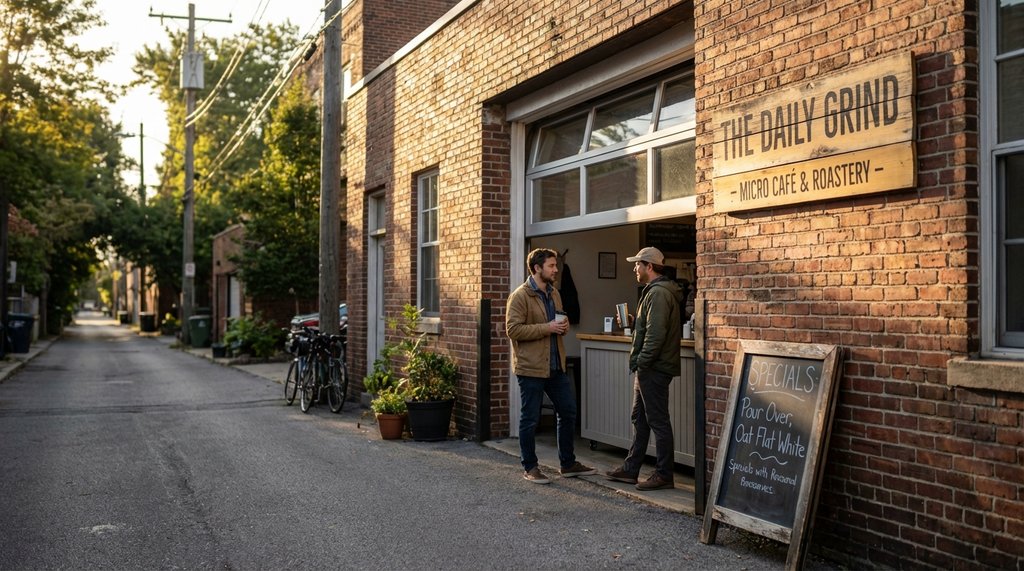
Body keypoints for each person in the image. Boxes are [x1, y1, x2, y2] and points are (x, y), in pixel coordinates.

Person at [506, 248, 596, 484]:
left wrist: (562, 326)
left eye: (556, 265)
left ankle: (568, 464)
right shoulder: (520, 296)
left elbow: (557, 321)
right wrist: (547, 328)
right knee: (530, 418)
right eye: (552, 266)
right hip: (531, 367)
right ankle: (530, 467)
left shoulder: (554, 293)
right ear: (537, 268)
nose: (556, 270)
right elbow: (513, 330)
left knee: (568, 411)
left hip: (556, 365)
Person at [605, 247, 683, 491]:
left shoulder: (658, 293)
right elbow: (651, 327)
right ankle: (631, 469)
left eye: (637, 264)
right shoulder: (655, 291)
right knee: (639, 418)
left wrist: (642, 362)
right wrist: (632, 322)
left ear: (649, 266)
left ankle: (664, 475)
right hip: (650, 367)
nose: (634, 269)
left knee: (658, 421)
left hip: (654, 368)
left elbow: (656, 335)